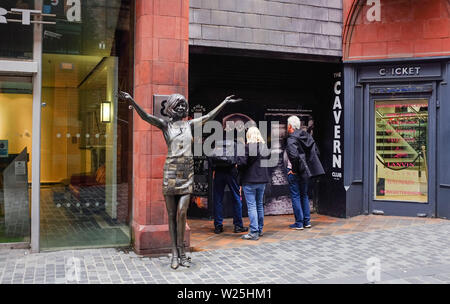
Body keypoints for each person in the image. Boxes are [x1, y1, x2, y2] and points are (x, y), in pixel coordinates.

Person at [119, 91, 242, 269]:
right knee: (171, 215)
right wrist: (132, 101)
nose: (183, 108)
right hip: (171, 172)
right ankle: (175, 254)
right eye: (179, 105)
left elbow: (208, 116)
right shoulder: (165, 125)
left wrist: (224, 102)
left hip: (187, 172)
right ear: (170, 108)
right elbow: (146, 116)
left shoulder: (189, 125)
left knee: (182, 212)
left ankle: (182, 252)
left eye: (184, 105)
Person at [284, 116, 324, 230]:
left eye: (288, 125)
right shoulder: (307, 136)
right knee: (304, 195)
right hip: (306, 171)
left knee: (296, 196)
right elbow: (316, 152)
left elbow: (293, 156)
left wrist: (294, 170)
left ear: (290, 126)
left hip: (295, 171)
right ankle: (307, 221)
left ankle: (299, 223)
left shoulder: (291, 139)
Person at [237, 126, 271, 241]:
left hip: (250, 180)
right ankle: (259, 229)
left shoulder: (246, 147)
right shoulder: (264, 147)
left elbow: (242, 163)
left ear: (248, 136)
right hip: (262, 180)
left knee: (252, 206)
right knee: (259, 205)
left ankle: (253, 232)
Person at [210, 137, 248, 234]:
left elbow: (211, 158)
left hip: (219, 172)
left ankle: (218, 226)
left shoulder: (217, 142)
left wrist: (214, 169)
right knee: (236, 197)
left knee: (218, 199)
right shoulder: (235, 143)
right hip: (231, 171)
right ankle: (238, 226)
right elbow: (240, 160)